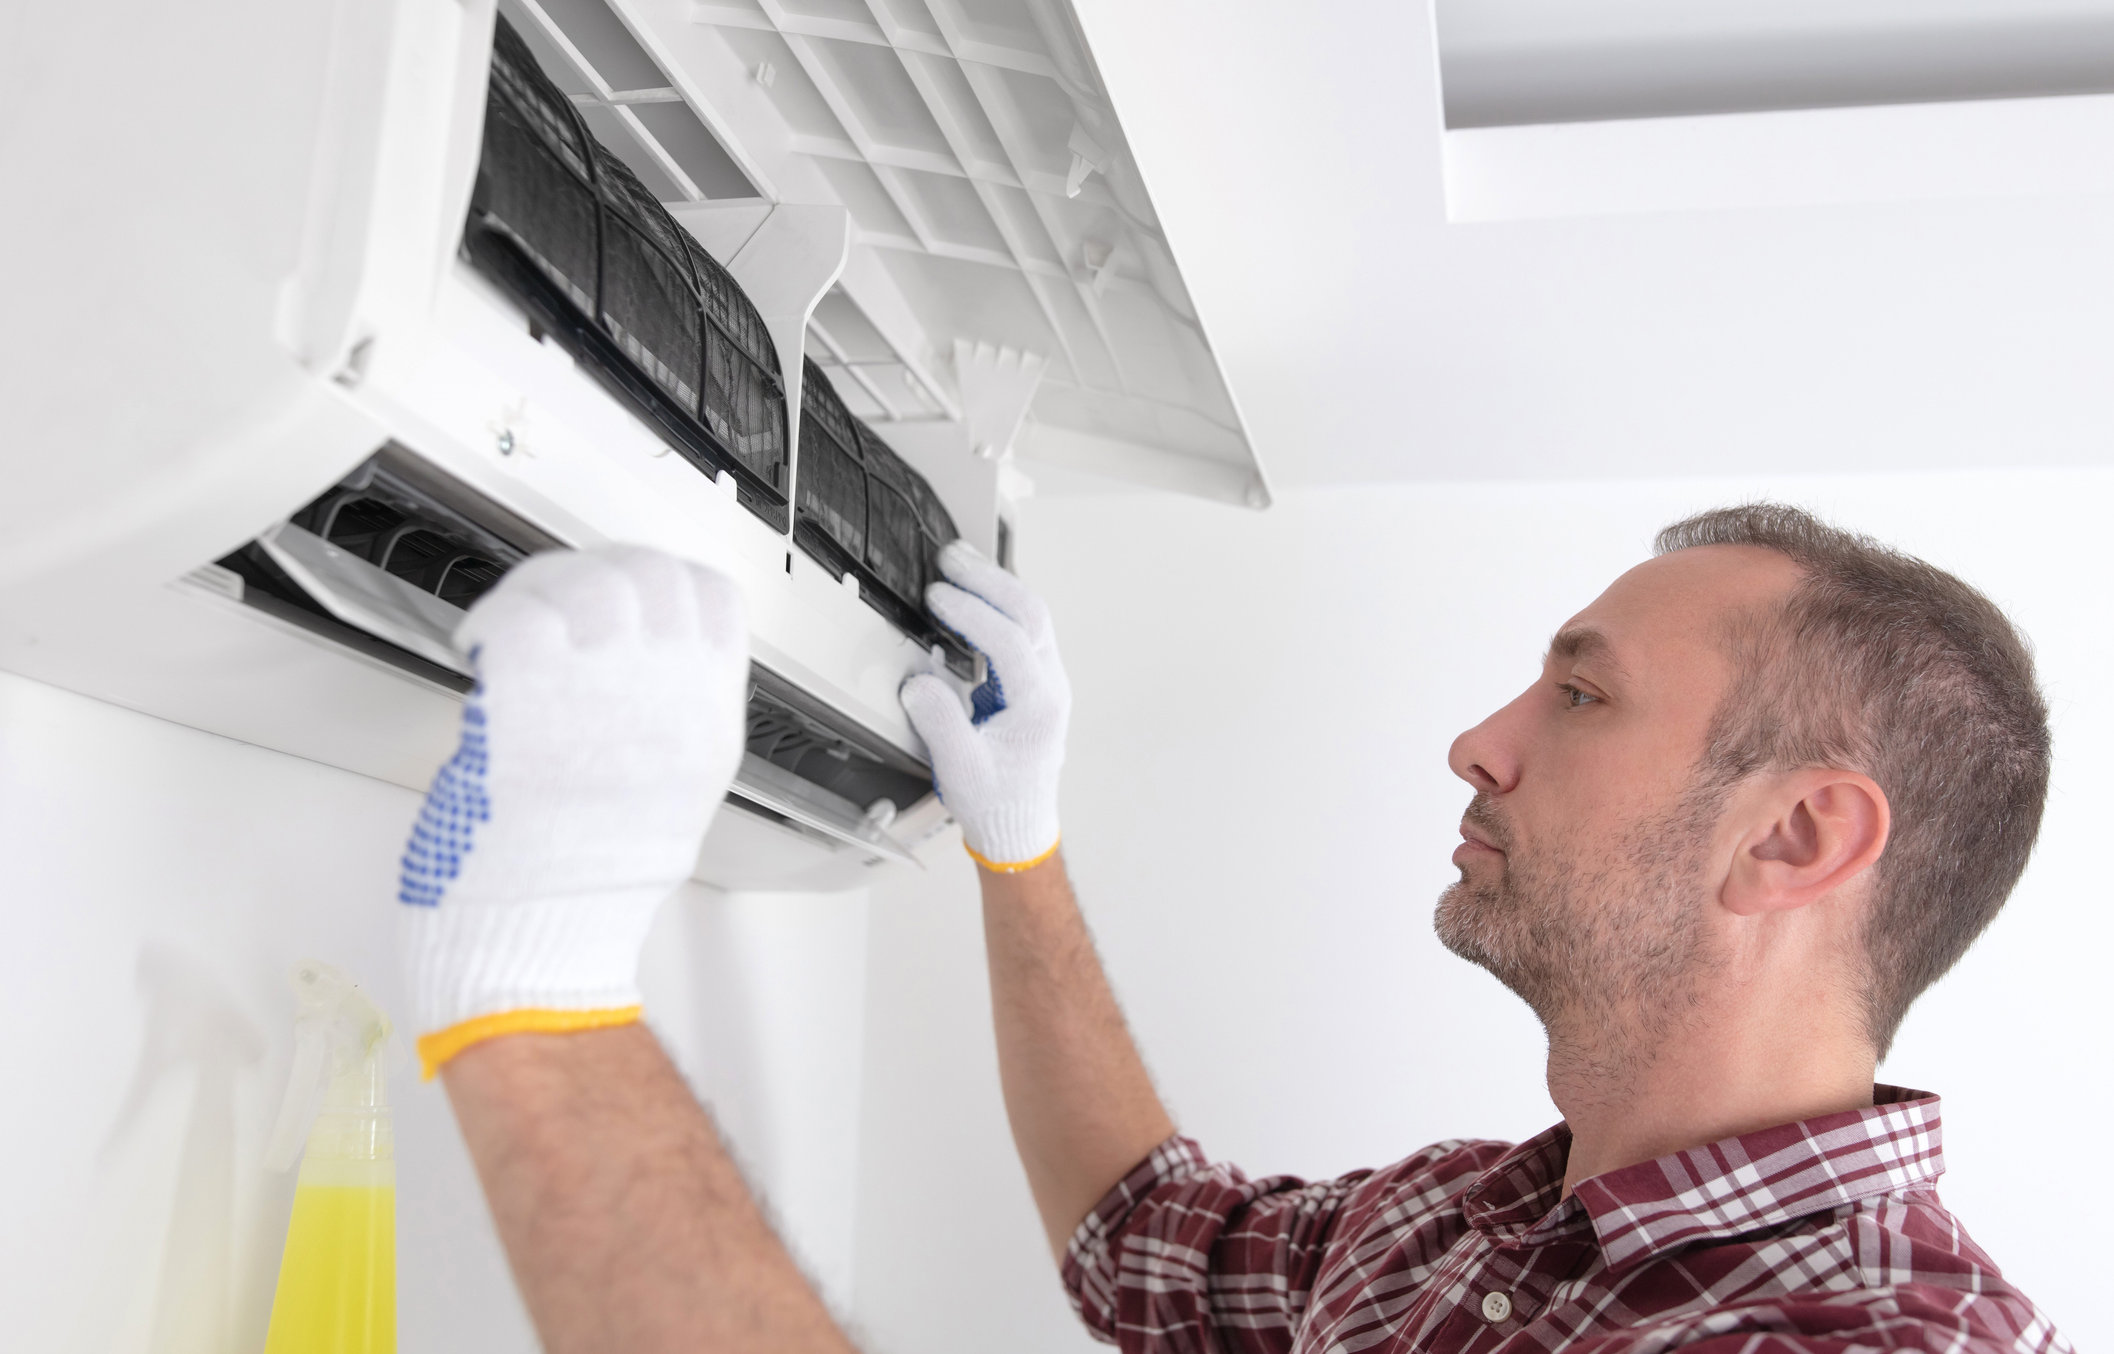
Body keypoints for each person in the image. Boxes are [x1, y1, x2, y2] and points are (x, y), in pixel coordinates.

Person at [398, 505, 2069, 1354]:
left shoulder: (1884, 1340)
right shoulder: (1456, 1224)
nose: (1480, 741)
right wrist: (1017, 842)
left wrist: (532, 999)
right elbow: (1136, 1234)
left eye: (1580, 694)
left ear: (1791, 836)